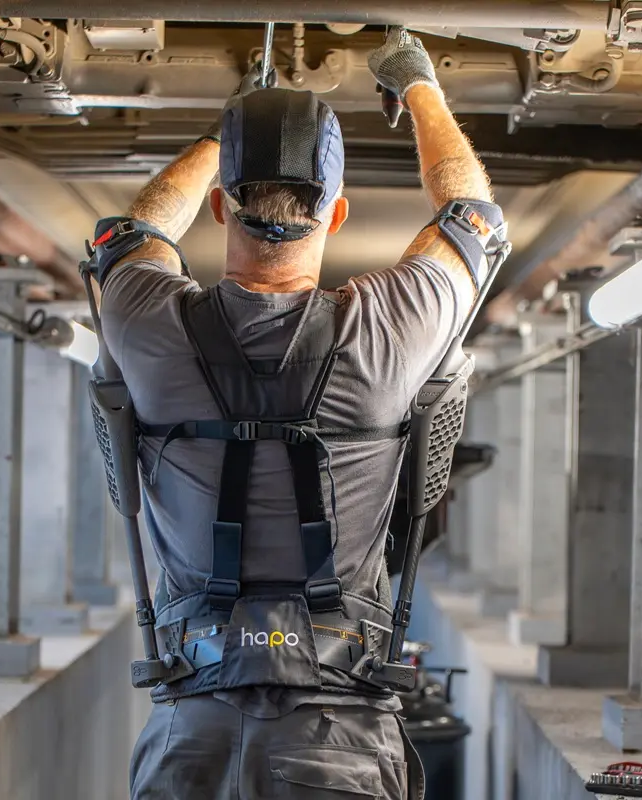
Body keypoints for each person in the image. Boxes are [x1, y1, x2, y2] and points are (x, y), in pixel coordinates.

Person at [95, 27, 506, 800]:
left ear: (220, 205)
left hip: (190, 732)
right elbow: (473, 215)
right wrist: (417, 84)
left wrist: (229, 130)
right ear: (338, 214)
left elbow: (129, 234)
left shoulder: (145, 319)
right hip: (339, 733)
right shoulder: (389, 327)